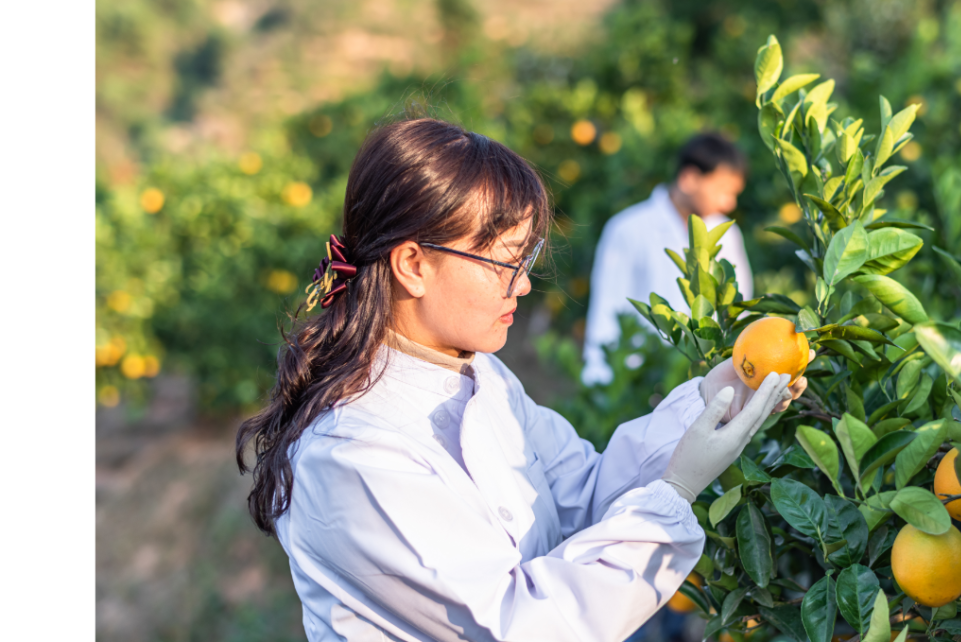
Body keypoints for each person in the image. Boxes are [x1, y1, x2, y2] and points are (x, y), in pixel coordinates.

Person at [235, 117, 809, 642]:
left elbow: (582, 496)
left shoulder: (481, 375)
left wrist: (715, 396)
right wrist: (674, 495)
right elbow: (516, 624)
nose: (524, 286)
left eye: (525, 260)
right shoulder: (352, 455)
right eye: (505, 263)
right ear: (413, 264)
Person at [581, 133, 754, 385]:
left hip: (708, 380)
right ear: (689, 178)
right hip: (640, 380)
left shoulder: (727, 233)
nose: (729, 203)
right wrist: (600, 385)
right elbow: (607, 308)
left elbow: (738, 305)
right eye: (722, 191)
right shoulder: (628, 228)